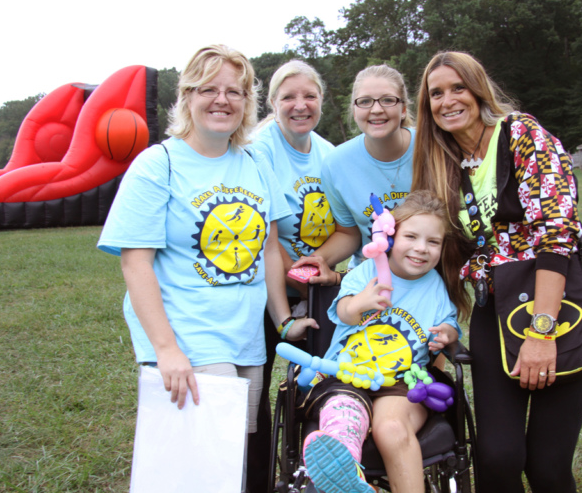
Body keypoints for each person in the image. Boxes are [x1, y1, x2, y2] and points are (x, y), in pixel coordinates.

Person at [97, 44, 317, 483]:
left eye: (235, 92)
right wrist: (166, 350)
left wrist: (283, 319)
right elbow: (135, 265)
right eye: (209, 89)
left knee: (239, 460)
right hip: (189, 338)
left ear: (247, 103)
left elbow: (269, 249)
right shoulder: (157, 165)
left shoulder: (255, 162)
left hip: (245, 338)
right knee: (204, 466)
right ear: (187, 97)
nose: (222, 100)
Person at [411, 51, 582, 493]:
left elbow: (558, 234)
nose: (447, 101)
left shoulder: (521, 133)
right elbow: (436, 250)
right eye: (436, 94)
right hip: (494, 304)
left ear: (478, 89)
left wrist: (542, 332)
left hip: (561, 297)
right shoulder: (441, 162)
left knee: (547, 466)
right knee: (496, 459)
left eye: (457, 87)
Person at [296, 190, 461, 493]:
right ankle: (346, 476)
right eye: (411, 237)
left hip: (401, 382)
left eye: (433, 241)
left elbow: (449, 323)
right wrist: (361, 301)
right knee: (345, 414)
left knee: (391, 428)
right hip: (347, 375)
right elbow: (344, 313)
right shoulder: (367, 271)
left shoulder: (435, 287)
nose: (421, 249)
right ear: (391, 236)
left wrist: (448, 334)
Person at [246, 59, 335, 493]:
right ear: (272, 104)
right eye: (288, 97)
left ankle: (322, 465)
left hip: (320, 283)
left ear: (322, 100)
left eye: (309, 96)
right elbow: (268, 235)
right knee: (256, 393)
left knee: (325, 378)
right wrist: (301, 282)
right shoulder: (260, 148)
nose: (300, 105)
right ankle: (257, 481)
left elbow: (346, 222)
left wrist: (329, 272)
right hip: (269, 283)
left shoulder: (329, 152)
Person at [292, 64, 415, 281]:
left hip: (431, 276)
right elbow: (349, 233)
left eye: (387, 100)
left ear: (403, 108)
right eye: (365, 102)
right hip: (370, 279)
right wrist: (318, 259)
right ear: (354, 109)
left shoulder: (430, 146)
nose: (376, 110)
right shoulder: (336, 164)